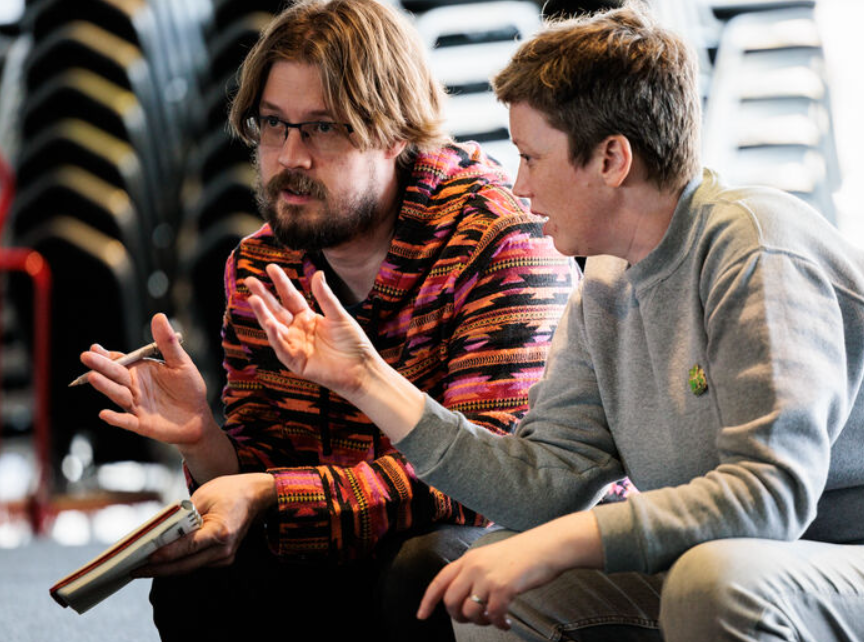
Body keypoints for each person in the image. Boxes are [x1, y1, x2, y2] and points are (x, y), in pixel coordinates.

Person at [240, 3, 864, 641]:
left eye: (532, 158)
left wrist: (561, 544)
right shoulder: (606, 284)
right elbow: (545, 485)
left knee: (714, 580)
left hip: (838, 552)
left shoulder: (755, 247)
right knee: (479, 587)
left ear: (611, 160)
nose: (519, 185)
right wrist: (367, 380)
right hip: (746, 557)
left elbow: (769, 500)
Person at [78, 0, 577, 639]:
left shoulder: (499, 240)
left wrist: (272, 495)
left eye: (322, 129)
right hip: (352, 535)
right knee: (204, 582)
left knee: (423, 572)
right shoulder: (262, 264)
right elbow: (264, 476)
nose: (291, 158)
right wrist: (203, 439)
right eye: (274, 126)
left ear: (395, 131)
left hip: (494, 536)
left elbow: (488, 480)